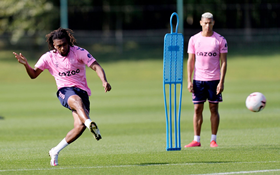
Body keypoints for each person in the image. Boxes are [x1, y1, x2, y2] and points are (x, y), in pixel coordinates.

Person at [13, 28, 112, 166]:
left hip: (82, 91)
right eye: (59, 45)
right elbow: (34, 75)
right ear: (54, 45)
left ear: (69, 42)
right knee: (76, 101)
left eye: (64, 44)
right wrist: (26, 65)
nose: (62, 48)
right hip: (64, 91)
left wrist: (104, 81)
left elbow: (96, 67)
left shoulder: (79, 52)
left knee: (79, 126)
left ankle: (55, 150)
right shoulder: (48, 57)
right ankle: (90, 123)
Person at [185, 12, 227, 148]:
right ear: (201, 23)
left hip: (214, 80)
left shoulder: (220, 40)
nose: (207, 25)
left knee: (213, 108)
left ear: (213, 23)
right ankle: (196, 140)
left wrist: (221, 81)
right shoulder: (194, 39)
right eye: (205, 23)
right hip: (198, 80)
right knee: (197, 108)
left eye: (210, 23)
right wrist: (189, 80)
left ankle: (213, 140)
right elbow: (190, 61)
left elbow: (224, 62)